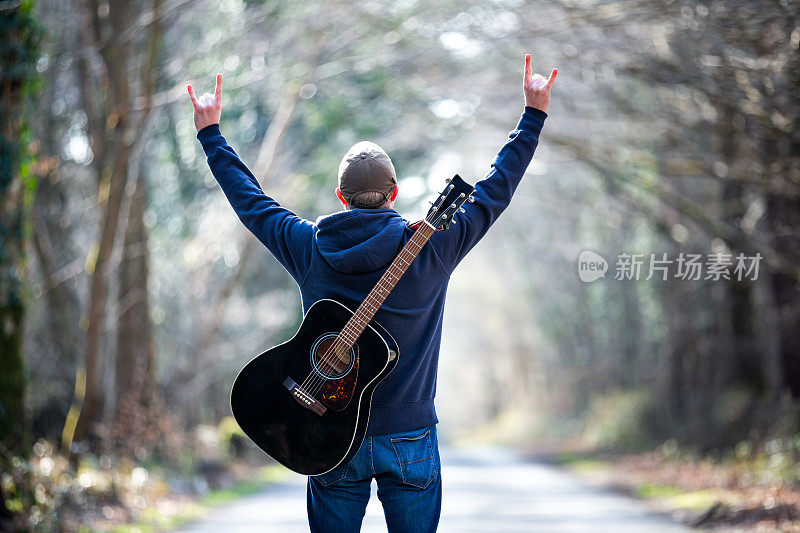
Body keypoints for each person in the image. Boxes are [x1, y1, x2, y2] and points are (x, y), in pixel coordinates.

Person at [188, 53, 556, 533]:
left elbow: (252, 203)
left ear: (341, 197)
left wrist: (211, 133)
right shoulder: (433, 249)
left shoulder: (307, 247)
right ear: (395, 192)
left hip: (328, 433)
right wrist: (533, 115)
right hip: (410, 435)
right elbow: (493, 191)